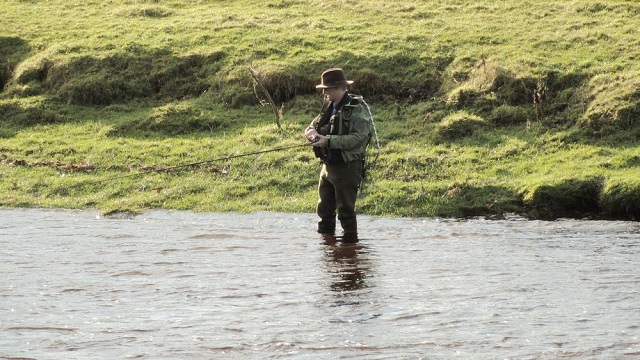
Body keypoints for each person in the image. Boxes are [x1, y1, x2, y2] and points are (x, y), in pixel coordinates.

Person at [305, 68, 371, 242]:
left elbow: (358, 138)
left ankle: (350, 249)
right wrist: (311, 132)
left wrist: (328, 141)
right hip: (328, 166)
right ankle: (328, 249)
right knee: (324, 211)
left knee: (345, 211)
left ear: (338, 87)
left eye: (327, 89)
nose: (324, 92)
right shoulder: (328, 106)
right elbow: (313, 125)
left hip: (347, 167)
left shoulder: (357, 108)